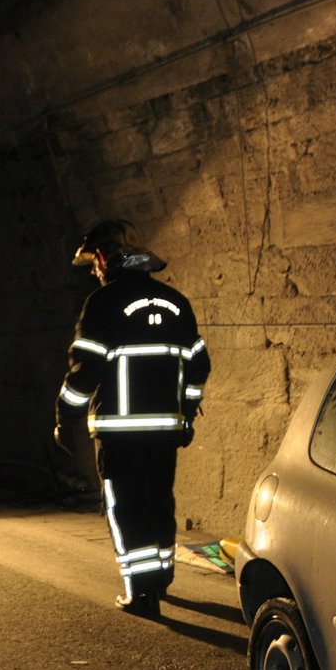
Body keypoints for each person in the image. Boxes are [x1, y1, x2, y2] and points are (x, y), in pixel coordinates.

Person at [54, 220, 211, 619]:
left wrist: (64, 419)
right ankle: (160, 580)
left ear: (106, 260)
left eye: (94, 264)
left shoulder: (103, 304)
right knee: (159, 503)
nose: (93, 272)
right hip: (165, 431)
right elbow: (197, 368)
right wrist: (188, 415)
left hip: (119, 432)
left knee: (125, 508)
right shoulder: (178, 303)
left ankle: (142, 595)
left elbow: (84, 371)